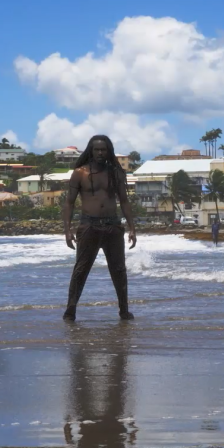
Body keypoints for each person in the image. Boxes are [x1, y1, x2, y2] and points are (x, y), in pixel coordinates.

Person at [62, 135, 137, 321]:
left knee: (119, 270)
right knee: (81, 269)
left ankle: (124, 310)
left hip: (113, 226)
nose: (100, 153)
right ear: (91, 151)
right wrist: (67, 230)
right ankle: (70, 310)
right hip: (89, 226)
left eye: (104, 149)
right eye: (97, 149)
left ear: (108, 151)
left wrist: (132, 228)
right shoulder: (80, 173)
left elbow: (125, 201)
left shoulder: (116, 173)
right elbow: (69, 203)